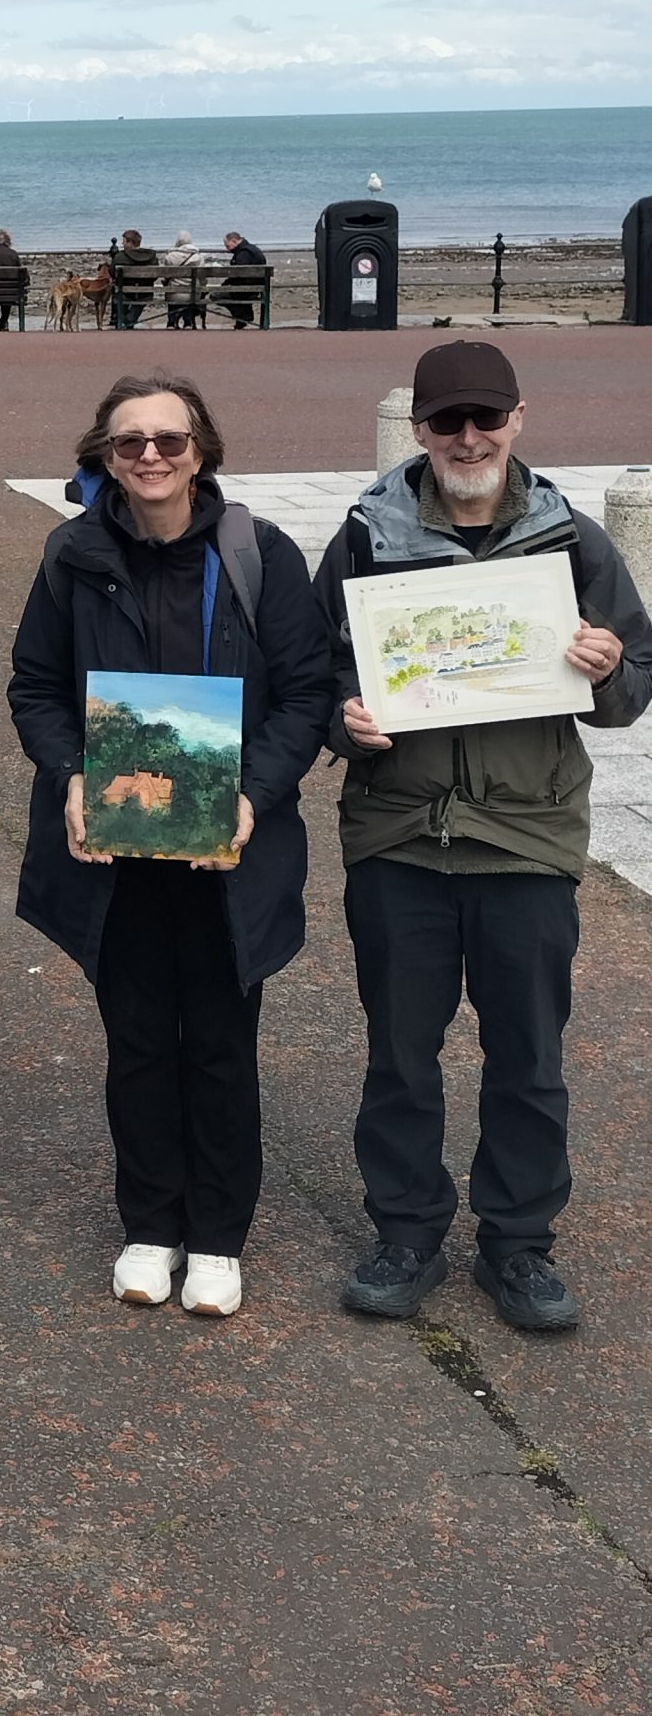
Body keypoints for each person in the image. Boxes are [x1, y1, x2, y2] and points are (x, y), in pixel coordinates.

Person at [316, 341, 652, 1334]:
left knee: (528, 1056)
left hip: (528, 838)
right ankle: (408, 1232)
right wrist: (346, 716)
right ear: (418, 427)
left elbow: (633, 688)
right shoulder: (366, 538)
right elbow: (315, 670)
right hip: (398, 836)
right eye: (447, 419)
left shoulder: (574, 540)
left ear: (518, 419)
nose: (468, 436)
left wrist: (607, 666)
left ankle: (518, 1245)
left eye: (486, 418)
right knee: (400, 1055)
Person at [8, 374, 331, 1318]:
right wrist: (70, 773)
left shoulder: (258, 555)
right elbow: (34, 686)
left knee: (223, 1044)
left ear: (203, 451)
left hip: (229, 846)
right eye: (130, 443)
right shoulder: (71, 554)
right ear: (104, 457)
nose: (151, 457)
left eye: (170, 442)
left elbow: (305, 694)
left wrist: (253, 793)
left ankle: (220, 1237)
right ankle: (150, 1223)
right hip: (113, 844)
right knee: (140, 1040)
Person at [219, 230, 268, 330]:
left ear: (234, 241)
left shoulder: (243, 254)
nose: (227, 249)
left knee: (215, 295)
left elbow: (237, 274)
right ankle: (243, 315)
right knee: (233, 291)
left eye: (228, 246)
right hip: (258, 287)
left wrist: (225, 284)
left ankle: (241, 316)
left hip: (245, 289)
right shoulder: (253, 249)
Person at [112, 229, 159, 330]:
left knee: (119, 291)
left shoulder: (120, 257)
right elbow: (155, 276)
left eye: (124, 241)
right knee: (141, 295)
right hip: (145, 292)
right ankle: (130, 319)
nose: (122, 244)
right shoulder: (152, 258)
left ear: (130, 242)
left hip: (124, 292)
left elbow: (112, 273)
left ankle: (124, 320)